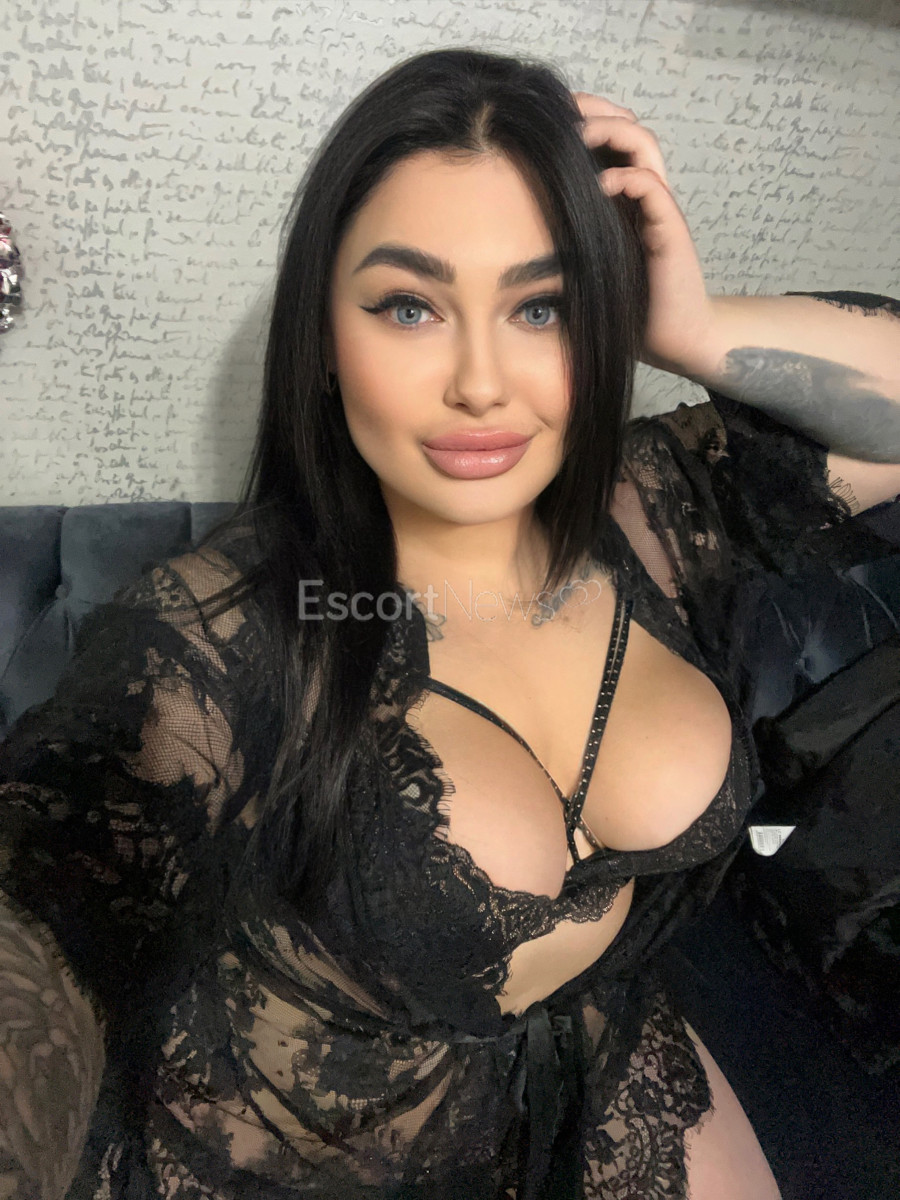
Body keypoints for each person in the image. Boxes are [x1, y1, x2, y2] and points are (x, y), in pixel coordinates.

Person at [0, 46, 898, 1200]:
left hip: (587, 1047)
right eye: (411, 306)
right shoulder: (214, 637)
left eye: (543, 306)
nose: (482, 382)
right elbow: (51, 898)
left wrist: (688, 327)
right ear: (326, 343)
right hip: (305, 1144)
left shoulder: (659, 510)